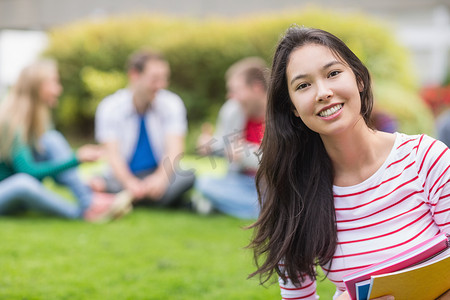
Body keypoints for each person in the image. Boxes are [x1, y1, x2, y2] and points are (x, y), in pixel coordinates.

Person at [247, 27, 450, 300]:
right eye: (303, 85)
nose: (323, 92)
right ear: (293, 108)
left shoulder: (426, 159)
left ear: (359, 80)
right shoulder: (294, 189)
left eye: (333, 73)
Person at [0, 59, 130, 222]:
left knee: (52, 139)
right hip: (6, 193)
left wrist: (83, 180)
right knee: (23, 183)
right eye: (54, 82)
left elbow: (57, 175)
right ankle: (82, 213)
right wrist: (76, 159)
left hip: (21, 197)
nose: (59, 89)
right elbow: (27, 172)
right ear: (37, 85)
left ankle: (88, 200)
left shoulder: (38, 123)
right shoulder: (10, 122)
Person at [92, 49, 195, 207]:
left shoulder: (172, 103)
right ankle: (162, 201)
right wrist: (129, 183)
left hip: (159, 174)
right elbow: (112, 155)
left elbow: (175, 150)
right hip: (122, 176)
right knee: (96, 182)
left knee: (188, 176)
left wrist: (160, 179)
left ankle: (129, 199)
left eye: (164, 79)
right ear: (134, 75)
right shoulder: (109, 107)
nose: (161, 85)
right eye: (155, 79)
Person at [194, 57, 268, 219]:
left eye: (235, 91)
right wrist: (210, 145)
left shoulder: (281, 116)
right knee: (205, 182)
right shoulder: (232, 111)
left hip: (272, 186)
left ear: (256, 88)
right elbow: (225, 145)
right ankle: (262, 211)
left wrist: (244, 153)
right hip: (241, 182)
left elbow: (278, 161)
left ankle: (222, 205)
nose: (230, 97)